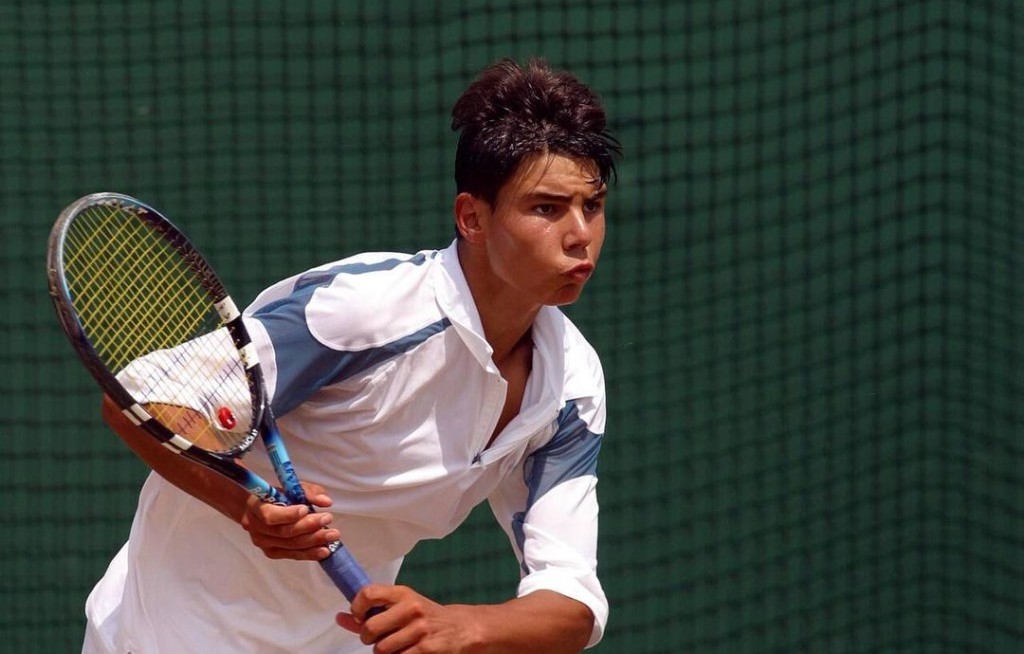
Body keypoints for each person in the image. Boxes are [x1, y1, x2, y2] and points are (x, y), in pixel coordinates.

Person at [82, 57, 621, 653]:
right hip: (169, 631)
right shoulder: (364, 312)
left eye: (590, 207)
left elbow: (573, 601)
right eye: (546, 208)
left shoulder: (570, 382)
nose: (579, 234)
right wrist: (246, 507)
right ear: (472, 217)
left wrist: (460, 627)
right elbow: (137, 402)